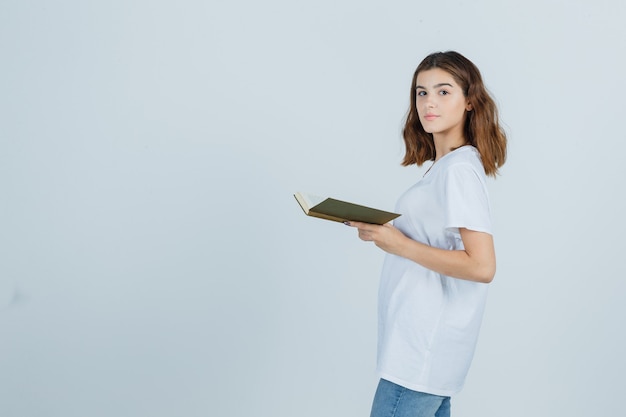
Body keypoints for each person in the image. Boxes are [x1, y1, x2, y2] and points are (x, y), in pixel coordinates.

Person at [345, 51, 507, 417]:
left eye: (443, 91)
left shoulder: (458, 171)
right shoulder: (447, 167)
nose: (428, 102)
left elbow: (482, 266)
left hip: (420, 354)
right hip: (422, 352)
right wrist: (389, 236)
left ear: (469, 101)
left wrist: (398, 244)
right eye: (421, 92)